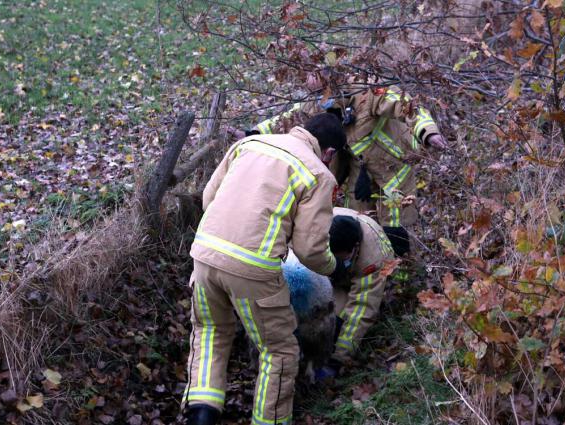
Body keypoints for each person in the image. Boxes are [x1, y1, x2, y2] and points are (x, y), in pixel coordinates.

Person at [181, 114, 347, 425]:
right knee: (280, 352)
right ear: (330, 153)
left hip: (204, 255)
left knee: (210, 332)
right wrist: (334, 267)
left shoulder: (249, 144)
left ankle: (200, 416)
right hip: (253, 269)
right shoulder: (317, 174)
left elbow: (208, 199)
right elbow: (311, 251)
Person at [247, 75, 445, 257]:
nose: (320, 99)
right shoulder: (317, 104)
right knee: (356, 217)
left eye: (323, 92)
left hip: (394, 166)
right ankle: (365, 259)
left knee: (395, 223)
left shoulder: (368, 91)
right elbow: (289, 118)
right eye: (316, 94)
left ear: (335, 84)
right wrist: (254, 132)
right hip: (360, 169)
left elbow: (407, 106)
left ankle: (401, 270)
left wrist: (428, 132)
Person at [315, 207, 396, 381]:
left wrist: (338, 359)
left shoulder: (372, 260)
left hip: (365, 274)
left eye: (341, 259)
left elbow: (361, 311)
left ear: (355, 248)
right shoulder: (318, 230)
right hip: (337, 274)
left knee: (338, 317)